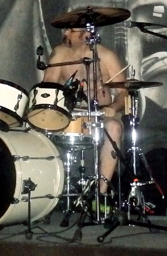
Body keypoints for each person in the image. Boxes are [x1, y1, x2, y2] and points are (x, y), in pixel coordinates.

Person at [43, 26, 127, 195]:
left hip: (100, 113)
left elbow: (124, 92)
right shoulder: (59, 53)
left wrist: (112, 108)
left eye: (71, 30)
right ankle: (51, 191)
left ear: (88, 33)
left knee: (114, 127)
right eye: (66, 30)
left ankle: (101, 193)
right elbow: (48, 86)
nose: (66, 33)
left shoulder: (106, 55)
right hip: (68, 113)